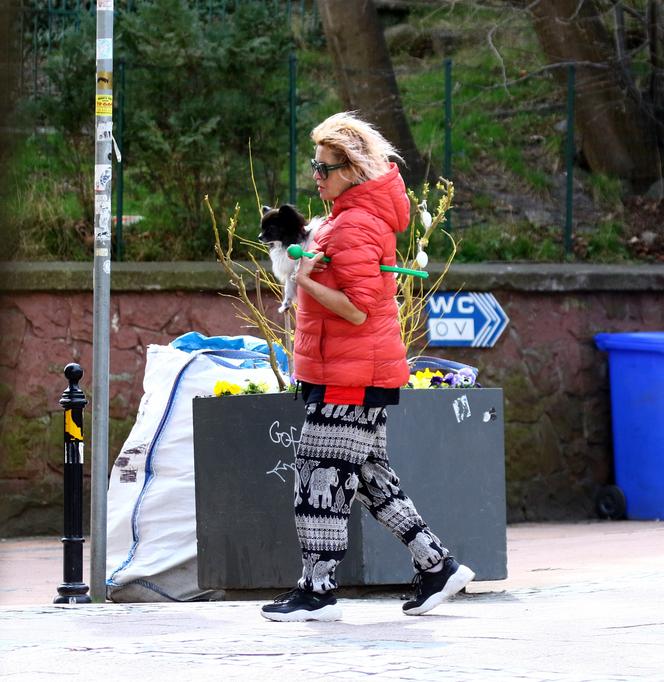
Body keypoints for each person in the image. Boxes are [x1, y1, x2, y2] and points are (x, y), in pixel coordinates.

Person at [261, 112, 474, 622]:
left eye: (326, 167)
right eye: (315, 165)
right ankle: (437, 566)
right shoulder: (343, 216)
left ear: (353, 171)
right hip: (352, 370)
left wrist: (306, 280)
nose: (316, 175)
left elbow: (356, 309)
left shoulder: (355, 224)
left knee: (318, 475)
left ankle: (317, 591)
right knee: (372, 478)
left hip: (350, 375)